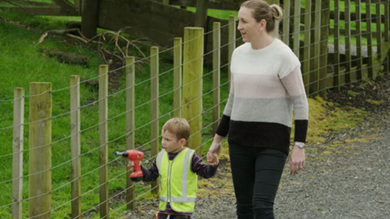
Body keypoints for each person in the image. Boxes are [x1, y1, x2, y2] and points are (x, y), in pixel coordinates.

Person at [207, 0, 309, 218]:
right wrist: (217, 140)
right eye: (238, 21)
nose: (239, 26)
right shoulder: (239, 54)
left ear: (262, 23)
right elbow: (233, 100)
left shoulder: (284, 56)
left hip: (271, 144)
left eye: (244, 21)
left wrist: (299, 145)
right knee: (244, 207)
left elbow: (300, 102)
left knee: (262, 206)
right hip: (239, 142)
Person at [129, 117, 219, 219]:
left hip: (182, 211)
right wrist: (138, 168)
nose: (163, 142)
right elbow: (150, 176)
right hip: (164, 210)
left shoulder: (190, 157)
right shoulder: (160, 156)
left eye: (167, 139)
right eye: (162, 138)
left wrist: (213, 165)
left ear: (181, 142)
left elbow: (206, 173)